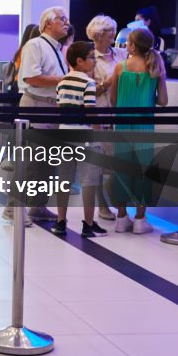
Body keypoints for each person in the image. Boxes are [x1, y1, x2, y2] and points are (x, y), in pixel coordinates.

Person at [8, 6, 70, 223]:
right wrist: (65, 80)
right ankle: (14, 207)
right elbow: (31, 77)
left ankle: (38, 205)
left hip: (51, 108)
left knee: (46, 161)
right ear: (47, 24)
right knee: (31, 160)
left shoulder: (57, 48)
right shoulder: (35, 45)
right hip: (37, 106)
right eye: (61, 19)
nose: (66, 22)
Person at [108, 27, 169, 234]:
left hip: (123, 124)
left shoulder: (119, 67)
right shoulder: (155, 67)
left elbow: (113, 99)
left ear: (132, 46)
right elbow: (163, 101)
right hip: (145, 125)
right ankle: (140, 219)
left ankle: (122, 217)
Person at [51, 41, 107, 238]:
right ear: (80, 61)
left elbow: (59, 110)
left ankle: (60, 221)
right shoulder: (88, 83)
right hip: (84, 136)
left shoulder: (62, 82)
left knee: (64, 180)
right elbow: (90, 112)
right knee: (88, 181)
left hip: (65, 134)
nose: (94, 61)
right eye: (91, 57)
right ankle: (88, 224)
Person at [86, 14, 126, 221]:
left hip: (119, 115)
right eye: (110, 31)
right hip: (100, 114)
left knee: (118, 160)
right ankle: (101, 204)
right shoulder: (90, 57)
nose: (114, 34)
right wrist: (110, 82)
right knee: (99, 162)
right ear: (99, 34)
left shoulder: (121, 53)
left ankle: (119, 203)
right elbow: (89, 90)